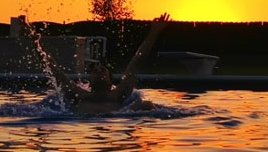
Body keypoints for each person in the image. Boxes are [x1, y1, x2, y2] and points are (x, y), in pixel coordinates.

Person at [31, 13, 170, 114]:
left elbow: (137, 60)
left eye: (102, 69)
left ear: (111, 81)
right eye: (94, 70)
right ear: (89, 82)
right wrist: (34, 42)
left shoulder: (119, 93)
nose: (98, 70)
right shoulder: (78, 94)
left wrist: (154, 32)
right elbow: (53, 69)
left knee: (146, 105)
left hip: (115, 122)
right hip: (79, 126)